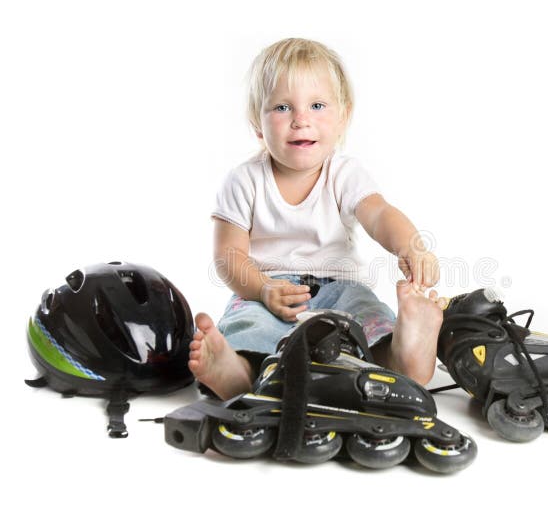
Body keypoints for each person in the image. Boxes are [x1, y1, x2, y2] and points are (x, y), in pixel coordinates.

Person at [189, 38, 445, 400]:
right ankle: (239, 371)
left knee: (366, 317)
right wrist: (262, 288)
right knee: (250, 325)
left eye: (317, 105)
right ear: (257, 124)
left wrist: (411, 246)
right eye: (281, 107)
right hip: (265, 291)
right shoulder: (243, 180)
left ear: (343, 117)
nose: (301, 120)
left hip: (341, 288)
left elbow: (379, 214)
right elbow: (228, 257)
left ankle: (403, 355)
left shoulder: (344, 174)